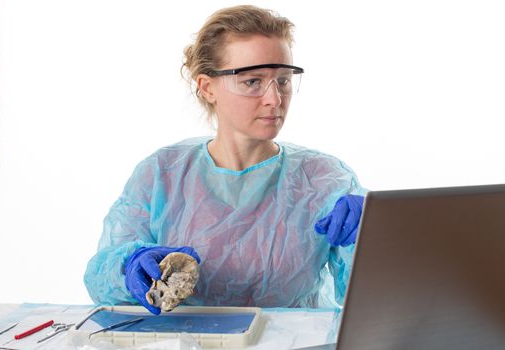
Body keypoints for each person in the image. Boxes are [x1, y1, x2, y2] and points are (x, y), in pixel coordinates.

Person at [84, 5, 367, 315]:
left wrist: (372, 239)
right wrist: (128, 269)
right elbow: (101, 280)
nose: (274, 99)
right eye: (252, 81)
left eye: (284, 80)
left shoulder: (324, 180)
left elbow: (369, 296)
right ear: (207, 87)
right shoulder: (163, 174)